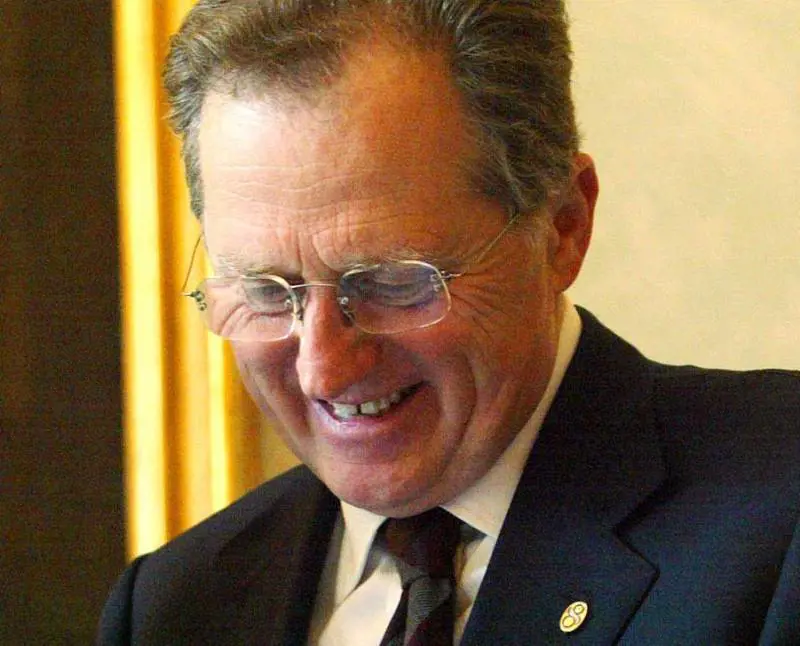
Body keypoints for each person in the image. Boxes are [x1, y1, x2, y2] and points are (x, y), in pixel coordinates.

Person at [98, 1, 800, 644]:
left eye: (392, 283)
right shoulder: (175, 608)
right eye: (267, 292)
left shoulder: (777, 519)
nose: (323, 369)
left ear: (563, 227)